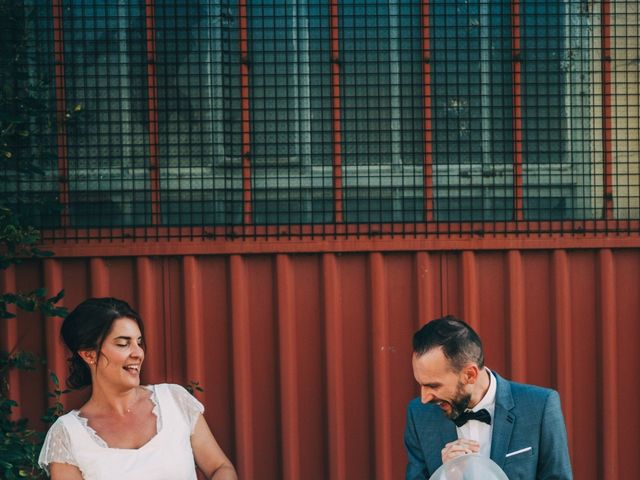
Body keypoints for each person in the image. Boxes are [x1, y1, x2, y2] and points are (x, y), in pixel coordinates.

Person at [38, 297, 237, 480]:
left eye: (139, 342)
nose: (138, 353)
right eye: (123, 344)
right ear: (89, 355)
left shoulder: (174, 400)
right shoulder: (67, 434)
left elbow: (220, 467)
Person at [404, 315, 572, 479]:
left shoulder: (540, 407)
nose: (424, 398)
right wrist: (446, 475)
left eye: (433, 385)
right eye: (421, 384)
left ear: (470, 375)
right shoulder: (419, 415)